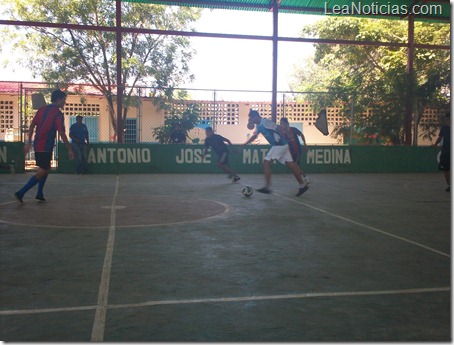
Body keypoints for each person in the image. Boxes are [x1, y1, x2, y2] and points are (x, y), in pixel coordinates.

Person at [13, 90, 74, 203]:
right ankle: (21, 192)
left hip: (39, 143)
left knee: (47, 168)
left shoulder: (42, 110)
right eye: (64, 100)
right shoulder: (57, 114)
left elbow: (32, 126)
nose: (64, 103)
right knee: (42, 171)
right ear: (58, 99)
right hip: (45, 145)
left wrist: (29, 142)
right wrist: (69, 148)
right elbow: (61, 133)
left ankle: (39, 193)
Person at [243, 110, 308, 196]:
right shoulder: (259, 126)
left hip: (279, 144)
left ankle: (267, 187)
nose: (251, 120)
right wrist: (244, 144)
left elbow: (278, 127)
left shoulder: (266, 122)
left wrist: (287, 133)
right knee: (291, 165)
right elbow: (255, 136)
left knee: (266, 163)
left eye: (251, 118)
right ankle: (303, 186)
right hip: (283, 145)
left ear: (255, 117)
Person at [279, 117, 310, 185]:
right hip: (290, 152)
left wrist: (305, 145)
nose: (281, 125)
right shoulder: (281, 133)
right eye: (280, 124)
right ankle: (304, 177)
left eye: (283, 123)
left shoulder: (293, 129)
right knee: (294, 166)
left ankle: (305, 178)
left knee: (295, 165)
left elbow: (301, 135)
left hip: (297, 150)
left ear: (287, 124)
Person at [433, 112, 450, 191]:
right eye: (446, 119)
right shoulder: (444, 128)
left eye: (449, 119)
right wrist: (435, 145)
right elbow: (439, 138)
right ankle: (450, 185)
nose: (447, 121)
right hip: (445, 152)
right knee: (445, 169)